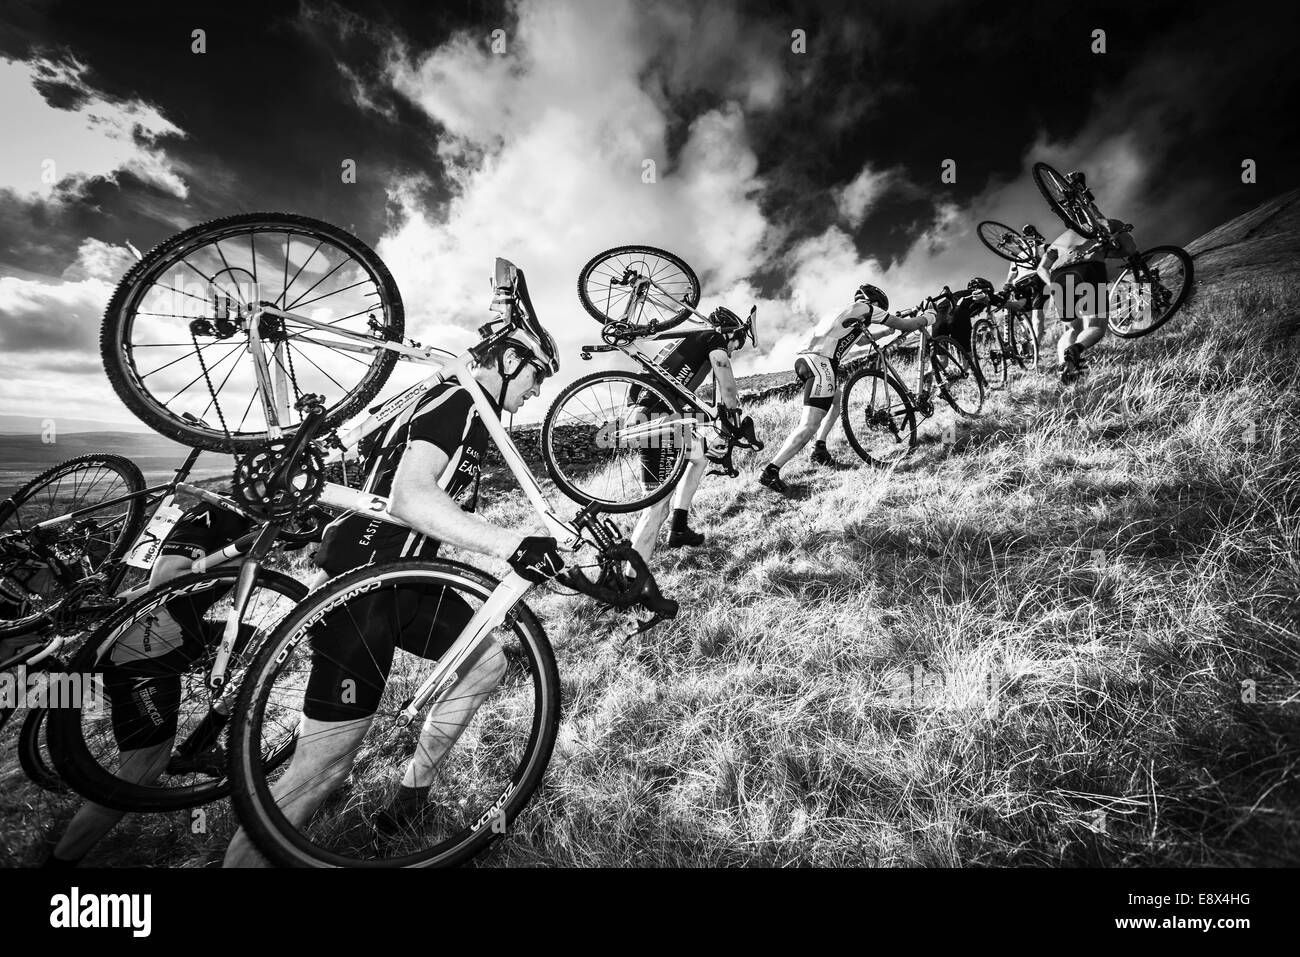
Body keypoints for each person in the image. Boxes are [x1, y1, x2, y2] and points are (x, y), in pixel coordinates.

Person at [223, 270, 564, 867]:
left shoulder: (456, 404)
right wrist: (507, 543)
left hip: (406, 582)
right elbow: (410, 497)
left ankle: (410, 797)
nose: (537, 390)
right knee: (320, 771)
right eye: (537, 374)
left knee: (485, 665)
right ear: (510, 359)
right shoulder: (460, 400)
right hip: (361, 595)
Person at [41, 502, 254, 868]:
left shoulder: (248, 520)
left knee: (258, 647)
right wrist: (249, 559)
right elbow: (167, 577)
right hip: (146, 649)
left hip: (175, 632)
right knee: (141, 773)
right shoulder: (214, 513)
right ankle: (60, 862)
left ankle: (196, 748)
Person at [759, 284, 932, 495]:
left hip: (808, 359)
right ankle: (771, 470)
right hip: (821, 362)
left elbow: (860, 341)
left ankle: (819, 450)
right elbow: (907, 324)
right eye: (882, 310)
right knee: (810, 424)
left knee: (837, 399)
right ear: (876, 303)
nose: (881, 313)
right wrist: (929, 317)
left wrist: (886, 331)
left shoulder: (845, 311)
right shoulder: (867, 309)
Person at [630, 306, 754, 558]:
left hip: (655, 416)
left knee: (699, 457)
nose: (732, 352)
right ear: (729, 334)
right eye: (736, 346)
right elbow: (727, 385)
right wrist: (736, 420)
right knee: (656, 508)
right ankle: (630, 580)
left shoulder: (688, 343)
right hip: (658, 421)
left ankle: (678, 526)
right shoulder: (713, 337)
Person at [1037, 209, 1140, 382]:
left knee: (1072, 328)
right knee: (1097, 324)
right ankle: (1076, 349)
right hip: (1088, 269)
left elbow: (1040, 268)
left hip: (1058, 276)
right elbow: (1130, 249)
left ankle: (1066, 367)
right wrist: (1107, 252)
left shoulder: (1059, 239)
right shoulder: (1107, 223)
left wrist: (1053, 287)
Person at [999, 223, 1049, 356]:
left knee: (1029, 317)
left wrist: (1007, 285)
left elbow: (1011, 274)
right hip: (1035, 280)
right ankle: (1033, 348)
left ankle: (1031, 346)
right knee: (1036, 317)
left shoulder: (1019, 255)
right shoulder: (1031, 250)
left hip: (1021, 284)